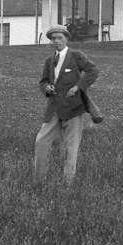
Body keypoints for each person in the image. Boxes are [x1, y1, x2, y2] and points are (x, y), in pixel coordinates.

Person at [34, 25, 99, 186]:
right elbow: (43, 82)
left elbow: (93, 71)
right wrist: (47, 88)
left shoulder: (76, 56)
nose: (57, 41)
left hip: (73, 109)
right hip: (54, 108)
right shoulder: (49, 61)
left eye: (60, 37)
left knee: (71, 147)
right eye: (53, 38)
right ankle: (38, 181)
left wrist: (78, 87)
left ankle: (67, 184)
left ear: (66, 38)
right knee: (41, 141)